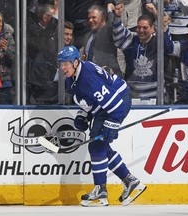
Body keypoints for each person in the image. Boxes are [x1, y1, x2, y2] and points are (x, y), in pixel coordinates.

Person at [57, 45, 146, 207]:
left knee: (96, 146)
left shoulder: (87, 77)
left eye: (66, 63)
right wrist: (83, 116)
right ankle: (129, 181)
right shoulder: (73, 77)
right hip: (106, 106)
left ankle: (101, 191)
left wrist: (112, 125)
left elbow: (116, 105)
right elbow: (89, 101)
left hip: (118, 102)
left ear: (76, 62)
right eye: (61, 64)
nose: (63, 67)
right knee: (101, 146)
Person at [112, 3, 170, 103]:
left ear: (152, 28)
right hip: (133, 95)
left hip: (155, 96)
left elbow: (168, 46)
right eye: (139, 27)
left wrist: (156, 13)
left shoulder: (159, 41)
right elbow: (118, 38)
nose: (141, 30)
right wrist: (117, 17)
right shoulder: (132, 40)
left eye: (145, 28)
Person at [82, 4, 122, 77]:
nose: (90, 20)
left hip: (108, 77)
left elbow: (114, 26)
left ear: (103, 18)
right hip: (90, 77)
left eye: (93, 17)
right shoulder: (87, 36)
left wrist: (115, 15)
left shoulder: (109, 31)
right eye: (89, 18)